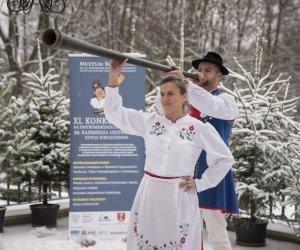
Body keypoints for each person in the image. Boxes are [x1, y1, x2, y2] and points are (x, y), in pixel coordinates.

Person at [103, 58, 235, 250]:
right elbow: (114, 114)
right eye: (162, 94)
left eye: (171, 93)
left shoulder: (197, 128)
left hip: (179, 195)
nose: (165, 98)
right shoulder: (149, 122)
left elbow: (224, 159)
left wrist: (200, 183)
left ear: (184, 96)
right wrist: (113, 76)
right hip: (149, 193)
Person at [162, 52, 239, 250]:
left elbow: (211, 105)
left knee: (216, 232)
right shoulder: (190, 97)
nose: (202, 74)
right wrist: (173, 84)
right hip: (184, 171)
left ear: (219, 76)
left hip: (212, 171)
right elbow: (165, 111)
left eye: (208, 71)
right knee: (183, 230)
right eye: (200, 70)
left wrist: (186, 83)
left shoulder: (226, 101)